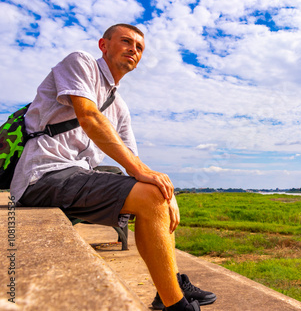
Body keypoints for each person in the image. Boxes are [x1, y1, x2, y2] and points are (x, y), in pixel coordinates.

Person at [10, 23, 216, 311]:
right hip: (43, 175)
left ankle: (167, 286)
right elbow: (89, 117)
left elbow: (134, 159)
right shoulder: (80, 63)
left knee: (157, 193)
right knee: (152, 194)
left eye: (139, 47)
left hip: (76, 176)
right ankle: (176, 306)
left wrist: (167, 193)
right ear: (104, 45)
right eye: (126, 41)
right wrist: (150, 182)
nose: (133, 49)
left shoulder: (119, 106)